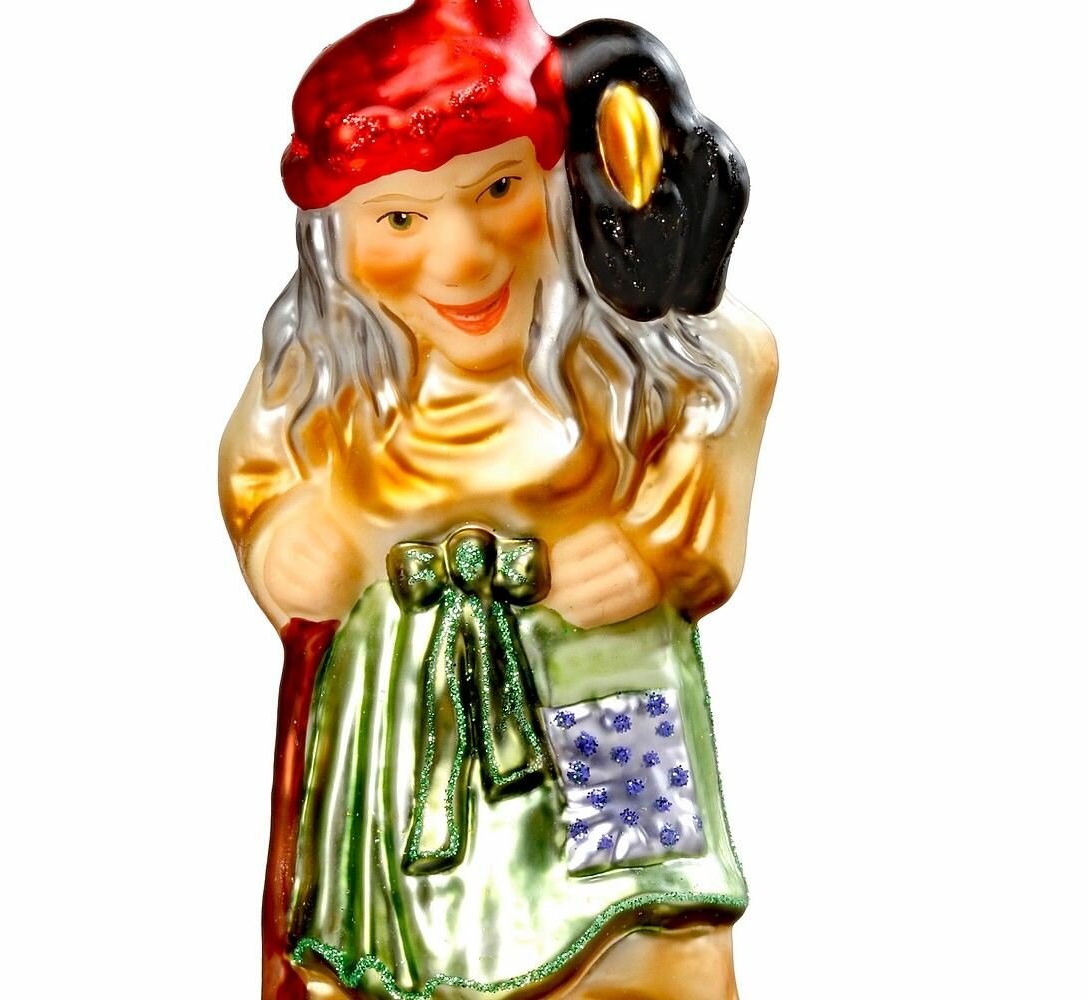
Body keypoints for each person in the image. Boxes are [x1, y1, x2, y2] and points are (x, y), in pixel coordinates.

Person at [220, 3, 777, 998]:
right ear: (336, 242)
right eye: (400, 219)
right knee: (413, 961)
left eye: (499, 191)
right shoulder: (330, 380)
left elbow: (737, 366)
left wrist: (660, 549)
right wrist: (284, 540)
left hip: (605, 681)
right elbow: (258, 471)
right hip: (409, 717)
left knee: (653, 934)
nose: (463, 257)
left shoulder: (620, 354)